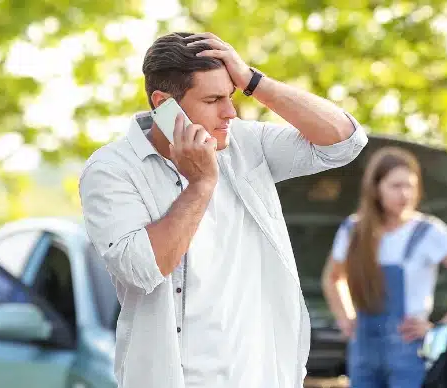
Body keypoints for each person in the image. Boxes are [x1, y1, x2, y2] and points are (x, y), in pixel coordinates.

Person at [78, 32, 368, 388]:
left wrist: (253, 81)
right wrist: (200, 185)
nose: (230, 112)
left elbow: (345, 141)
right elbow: (141, 270)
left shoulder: (245, 143)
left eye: (231, 96)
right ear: (163, 103)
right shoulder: (112, 169)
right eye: (214, 99)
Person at [320, 146, 447, 388]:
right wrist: (345, 319)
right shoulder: (354, 230)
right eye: (396, 186)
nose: (404, 194)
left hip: (410, 353)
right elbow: (332, 277)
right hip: (363, 351)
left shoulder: (429, 232)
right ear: (376, 189)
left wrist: (442, 327)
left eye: (410, 186)